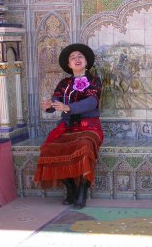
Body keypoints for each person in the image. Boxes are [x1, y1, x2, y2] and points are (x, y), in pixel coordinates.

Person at [34, 43, 103, 209]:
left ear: (86, 62)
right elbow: (56, 101)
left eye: (80, 56)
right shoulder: (64, 83)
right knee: (49, 149)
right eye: (73, 58)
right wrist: (49, 106)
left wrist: (69, 108)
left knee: (85, 146)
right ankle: (70, 187)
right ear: (69, 64)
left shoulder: (94, 80)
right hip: (66, 127)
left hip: (89, 126)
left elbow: (91, 102)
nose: (76, 59)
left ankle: (83, 190)